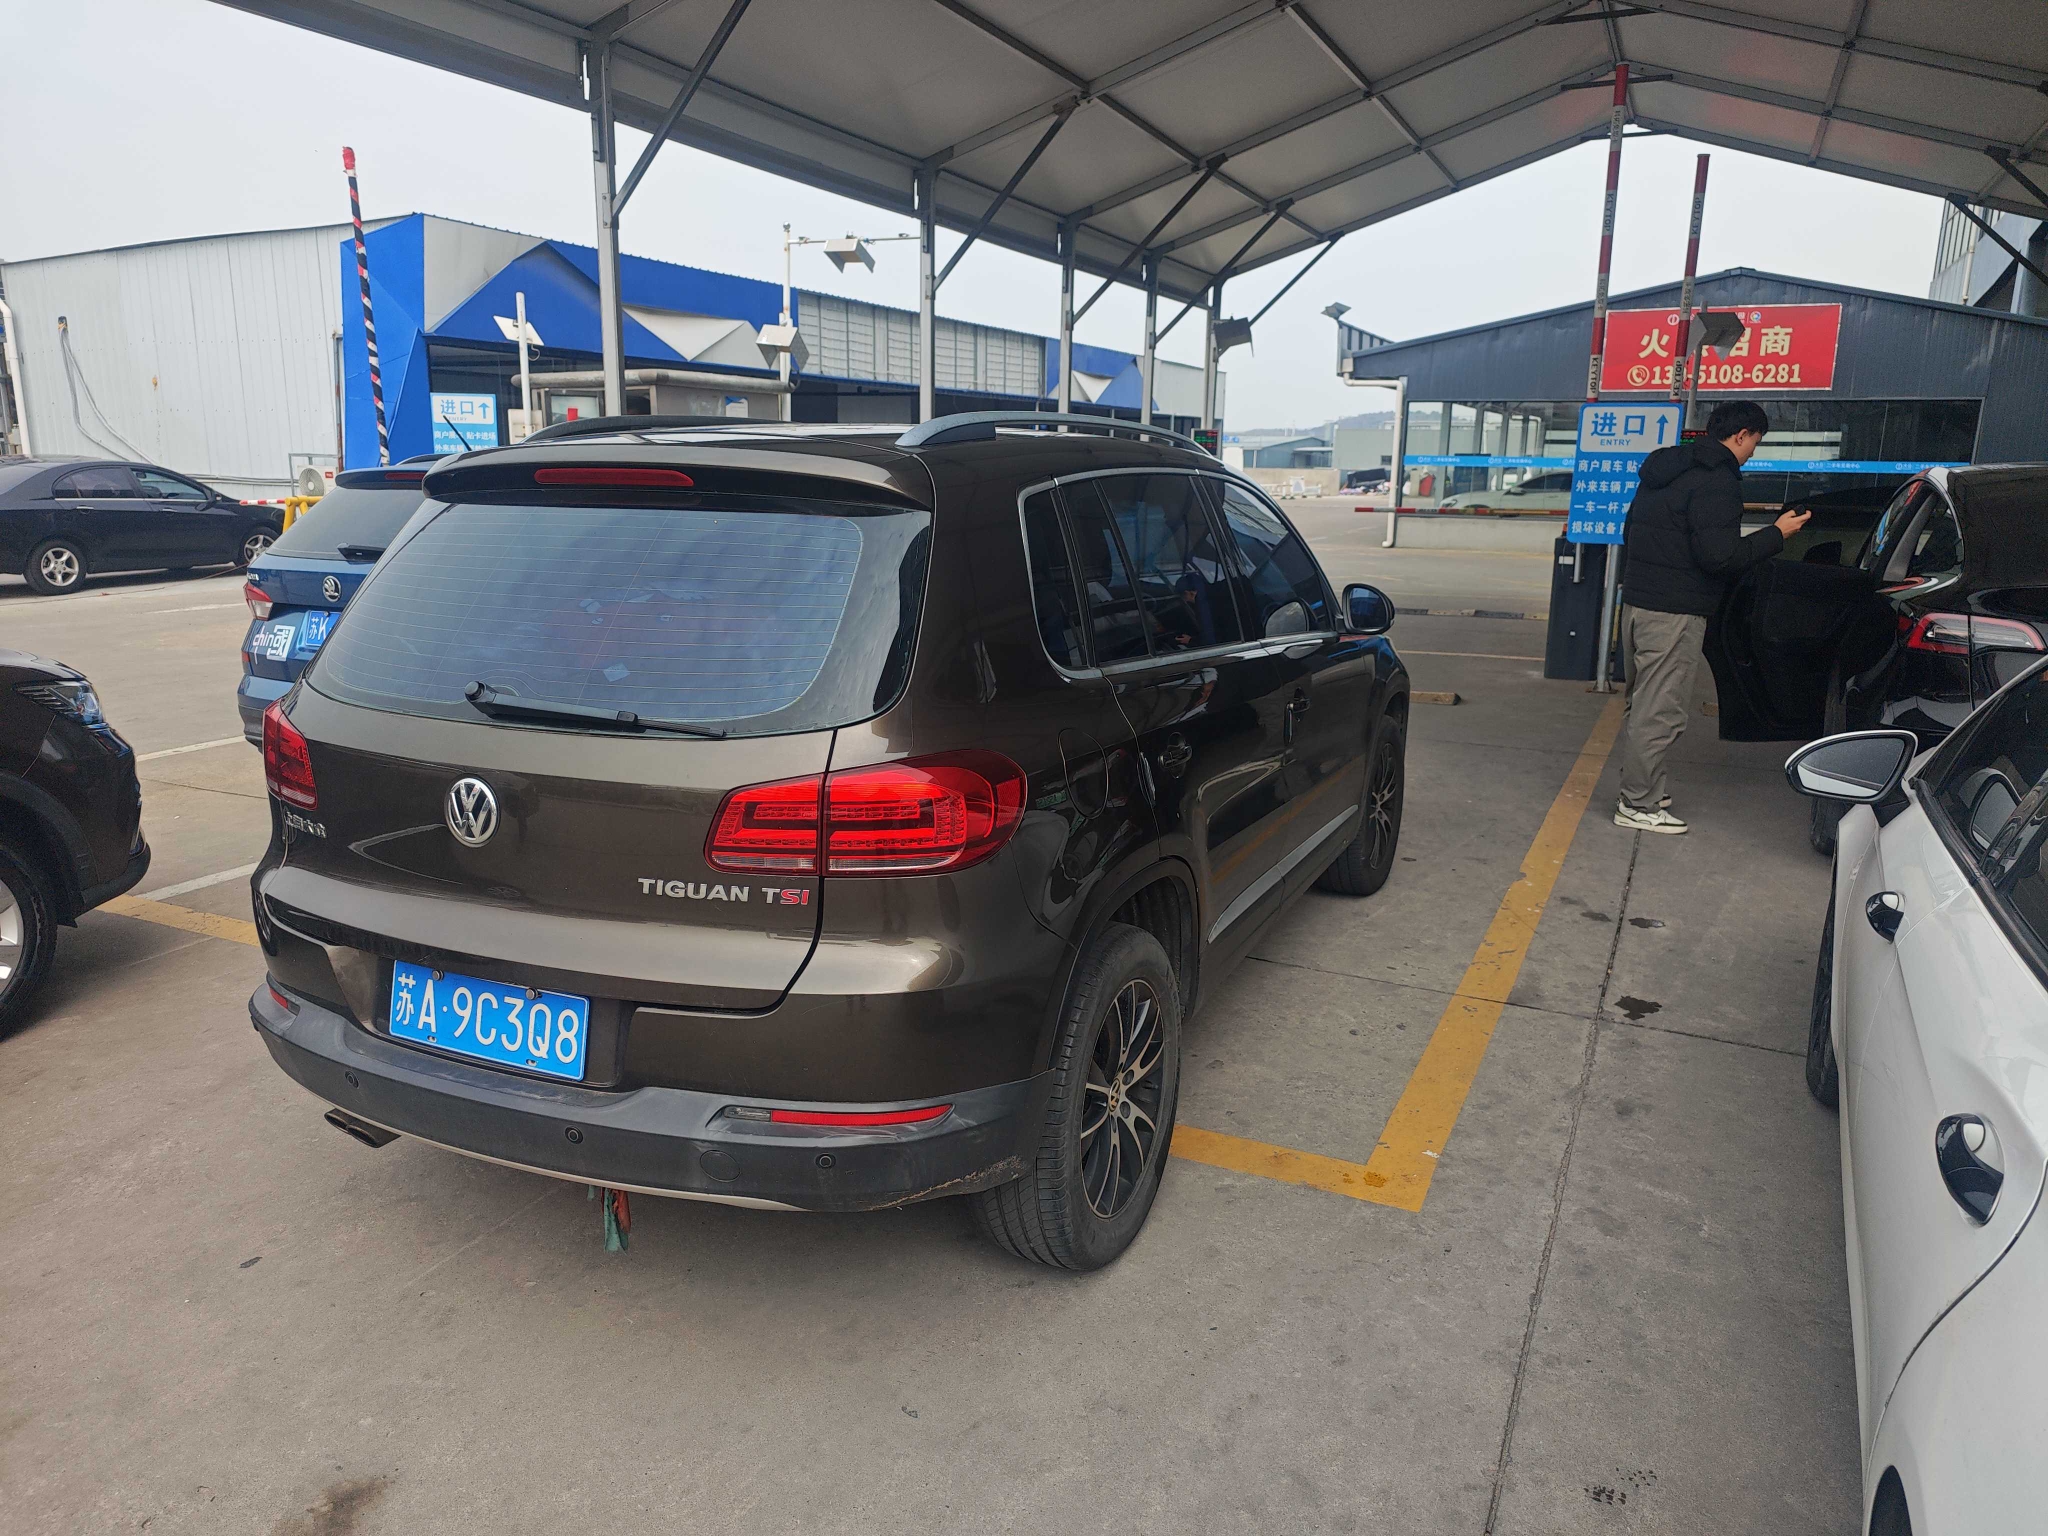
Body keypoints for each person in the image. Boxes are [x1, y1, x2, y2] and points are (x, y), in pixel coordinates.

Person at [1612, 400, 1810, 835]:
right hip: (1674, 612)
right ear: (1741, 435)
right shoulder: (1717, 481)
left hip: (1639, 603)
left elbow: (1630, 532)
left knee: (1643, 704)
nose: (1753, 451)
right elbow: (1720, 557)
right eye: (1755, 442)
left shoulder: (1665, 468)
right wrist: (1777, 534)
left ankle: (1642, 786)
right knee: (1660, 712)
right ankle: (1638, 803)